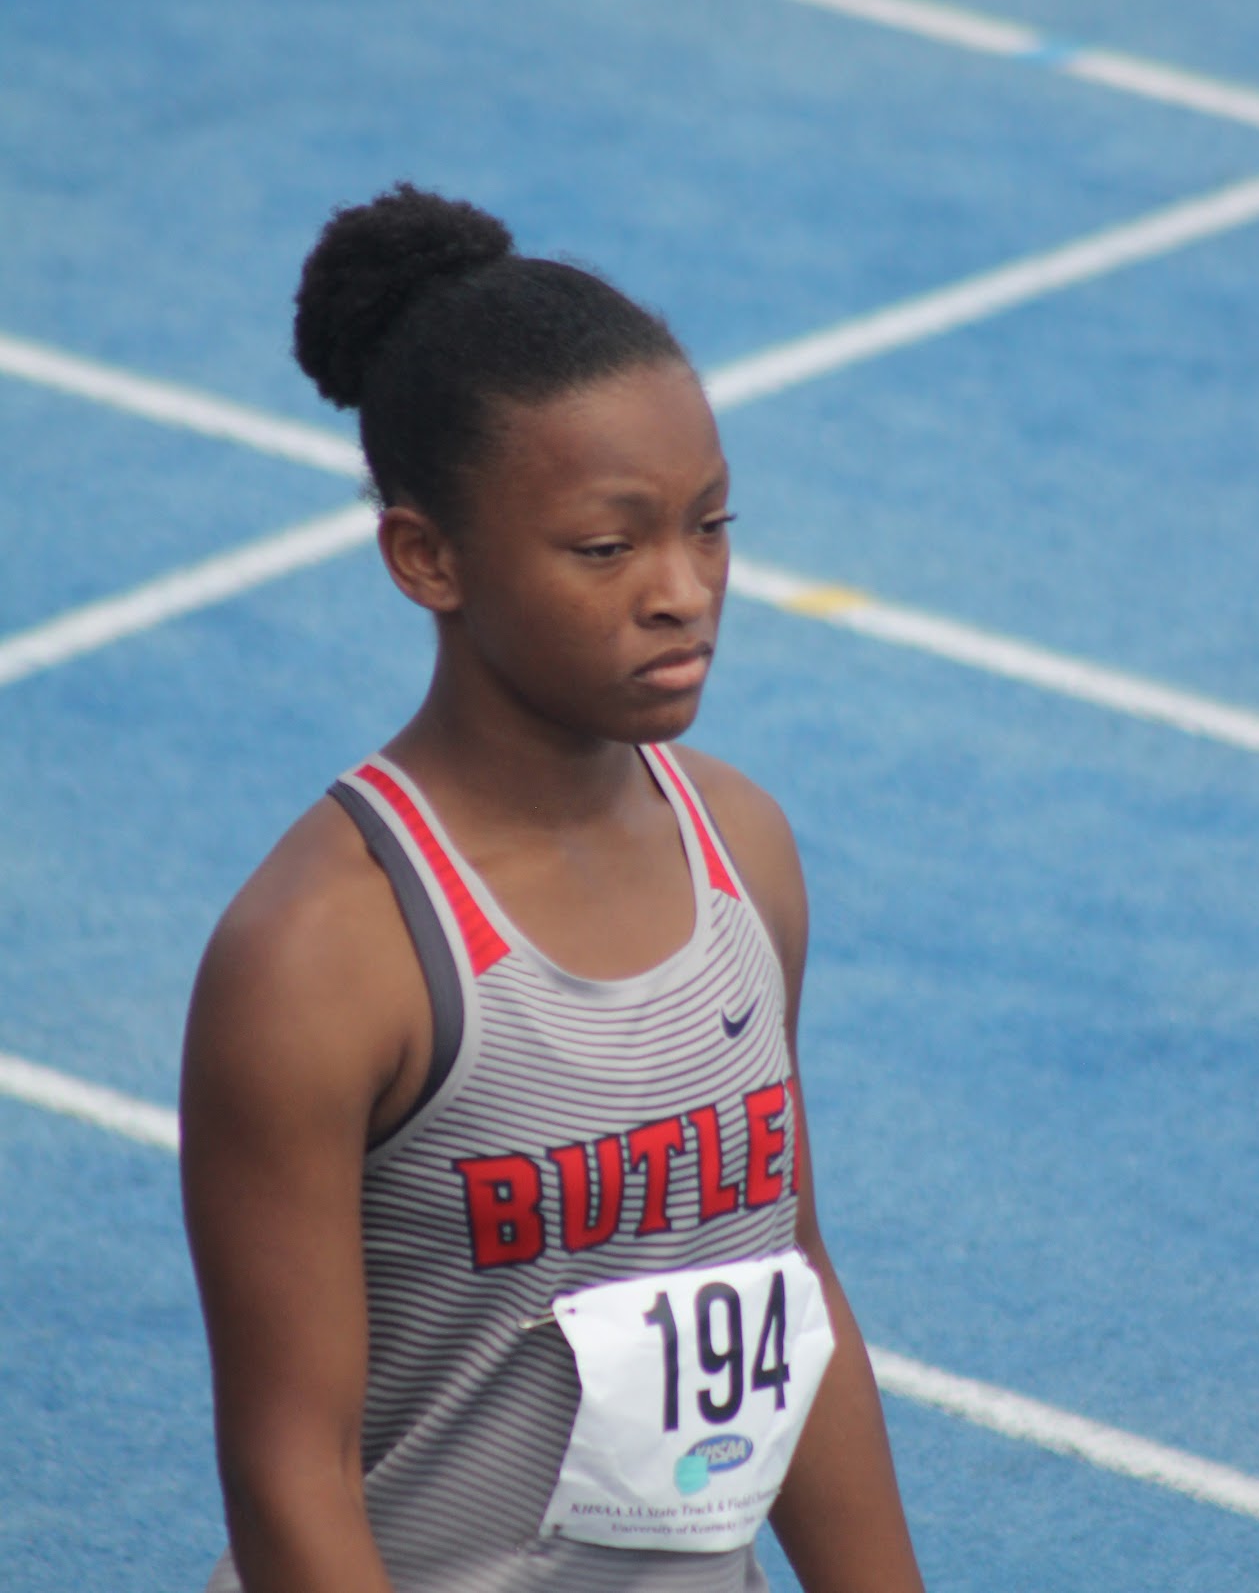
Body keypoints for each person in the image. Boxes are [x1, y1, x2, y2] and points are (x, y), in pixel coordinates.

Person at [180, 183, 925, 1593]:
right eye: (608, 545)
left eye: (709, 526)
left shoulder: (744, 853)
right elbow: (291, 1475)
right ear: (427, 558)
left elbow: (787, 1291)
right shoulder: (326, 957)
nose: (683, 588)